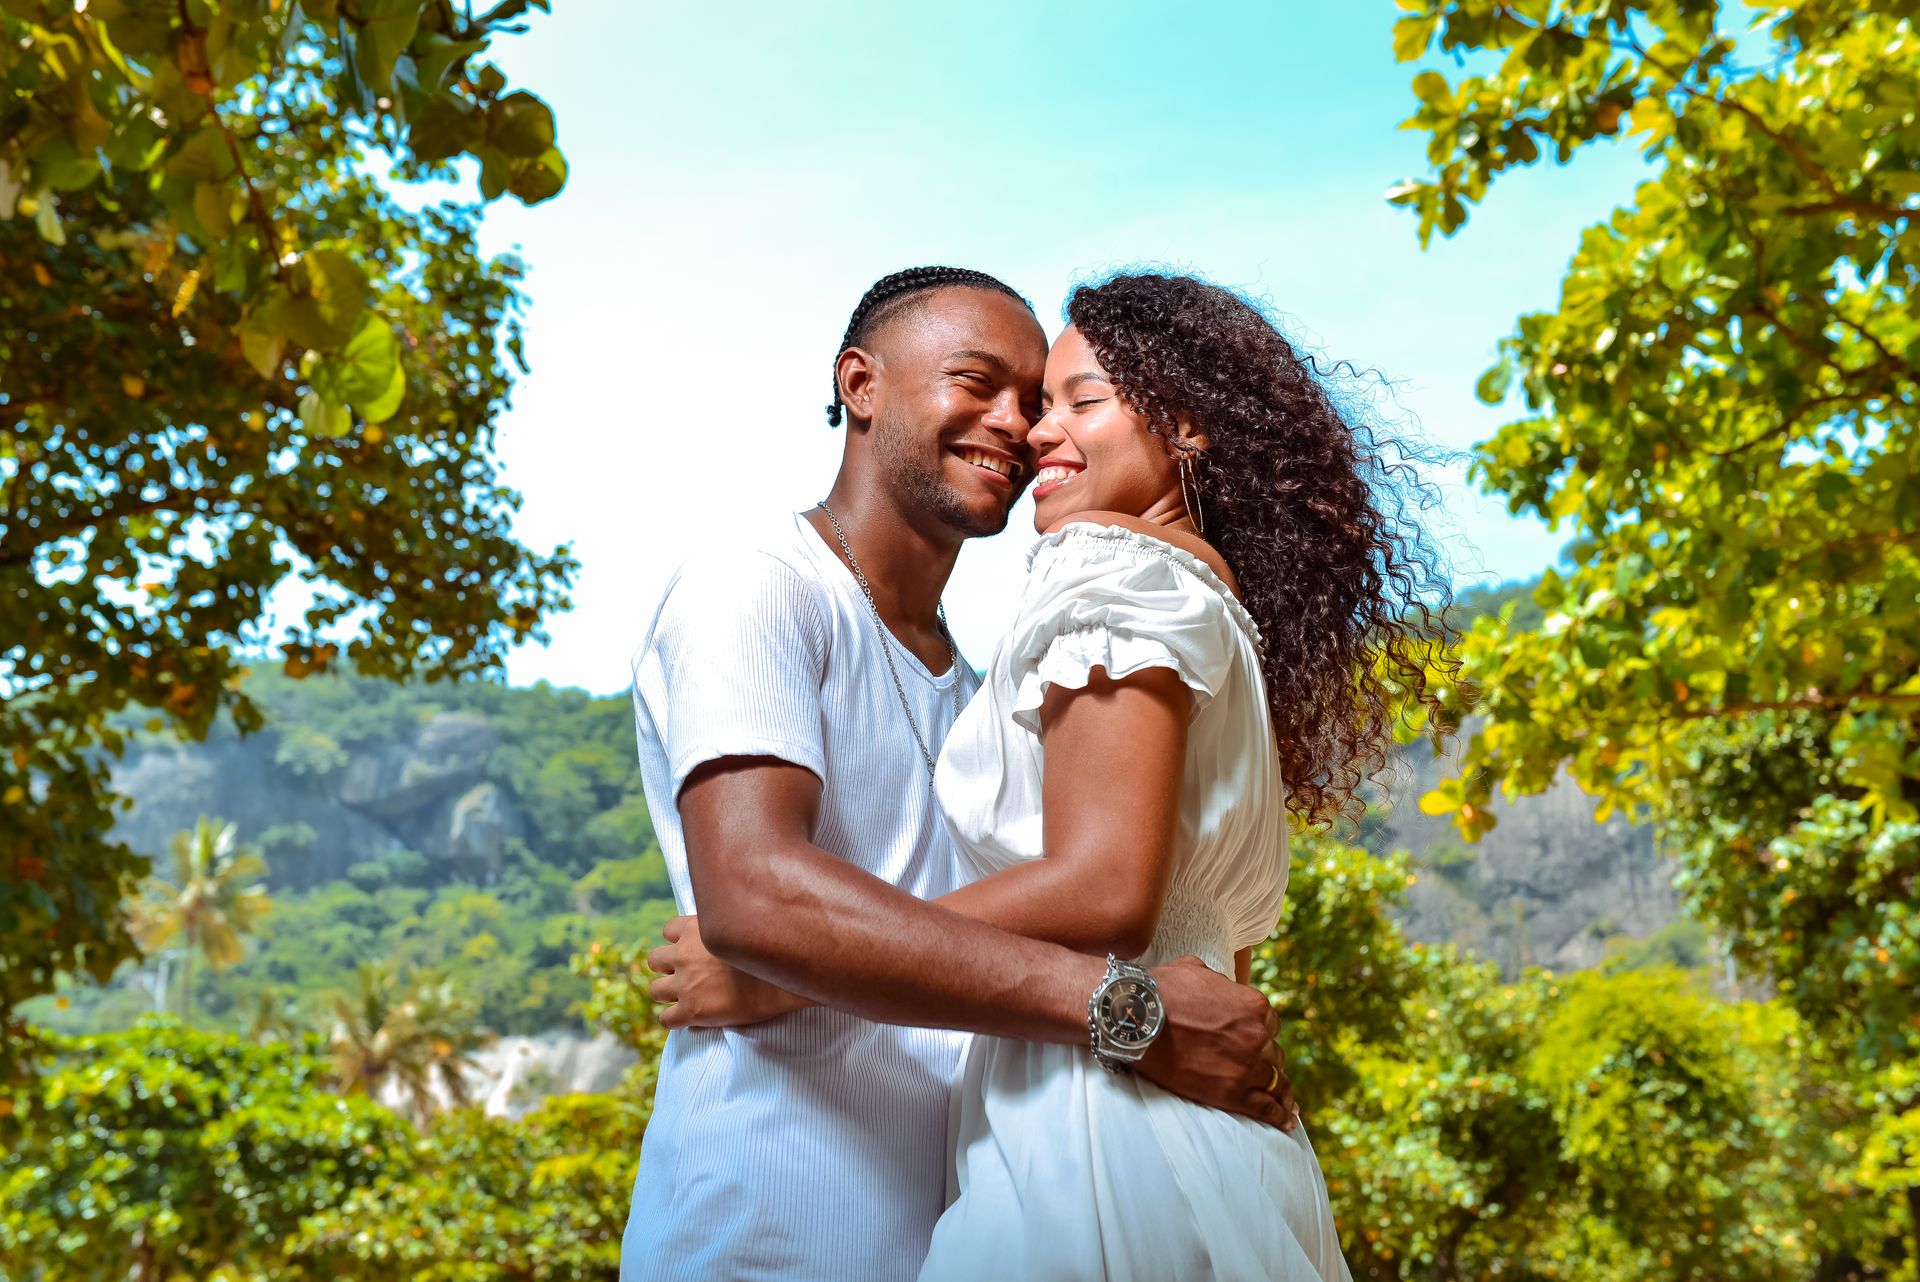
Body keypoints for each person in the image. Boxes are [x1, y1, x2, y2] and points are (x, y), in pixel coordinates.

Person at [654, 271, 1457, 1279]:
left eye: (1060, 399)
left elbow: (1113, 903)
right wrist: (787, 963)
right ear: (859, 384)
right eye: (979, 382)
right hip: (784, 1214)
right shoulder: (760, 577)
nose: (1025, 426)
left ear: (1188, 428)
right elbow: (759, 900)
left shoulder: (1059, 623)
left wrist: (794, 974)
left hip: (1051, 1159)